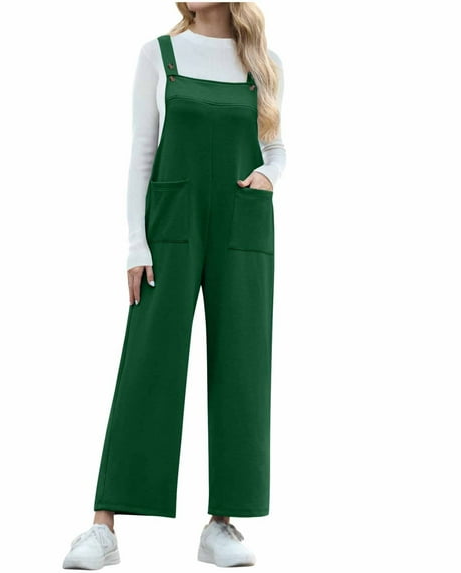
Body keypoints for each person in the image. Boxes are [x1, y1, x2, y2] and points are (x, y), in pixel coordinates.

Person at [63, 2, 285, 569]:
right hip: (171, 224)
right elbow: (142, 151)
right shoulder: (159, 54)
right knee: (148, 361)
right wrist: (136, 244)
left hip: (243, 219)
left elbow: (276, 147)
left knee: (242, 366)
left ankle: (222, 525)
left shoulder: (263, 62)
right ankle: (103, 526)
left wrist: (269, 175)